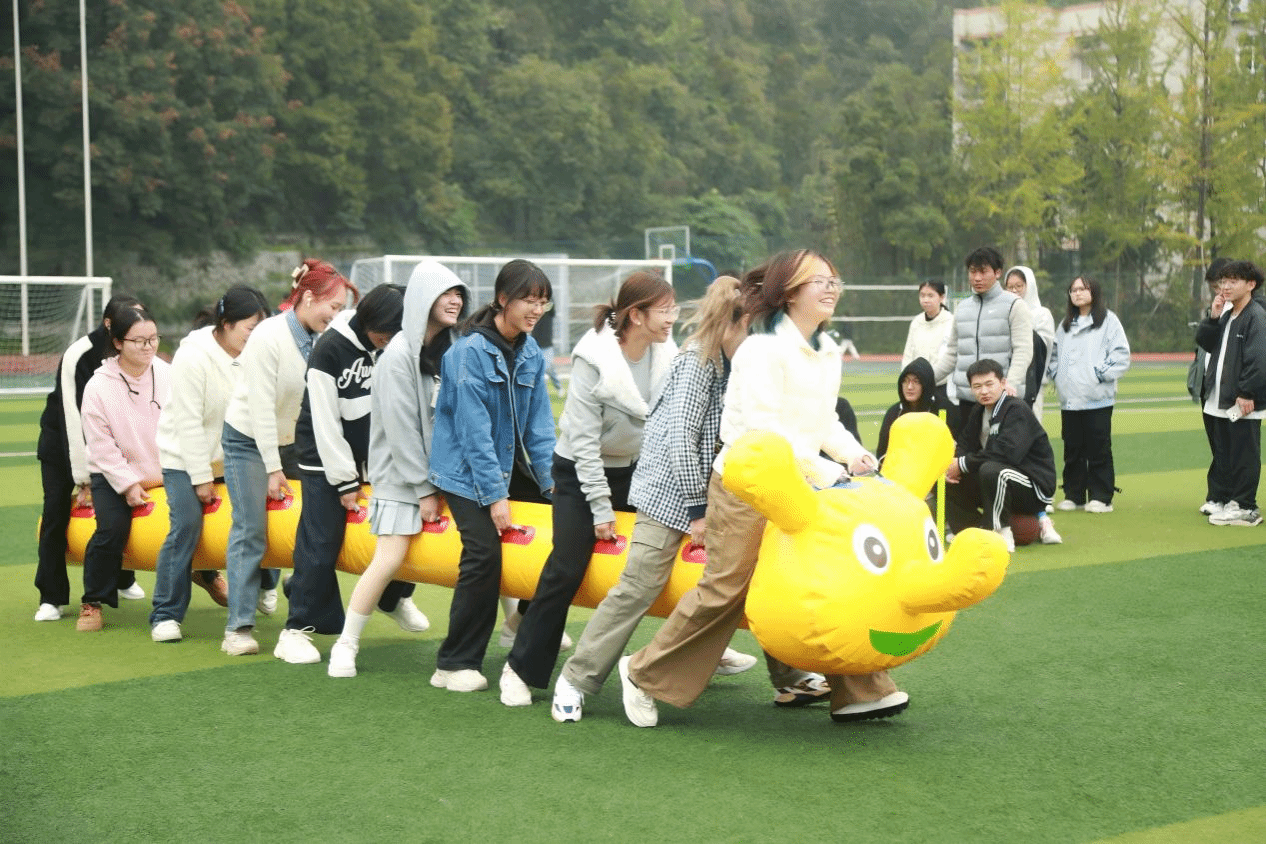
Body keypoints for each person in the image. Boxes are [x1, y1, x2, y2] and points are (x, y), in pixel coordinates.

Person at [618, 249, 908, 728]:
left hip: (803, 483)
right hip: (747, 486)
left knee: (828, 577)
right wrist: (826, 469)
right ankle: (642, 673)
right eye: (819, 280)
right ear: (789, 292)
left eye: (834, 280)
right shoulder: (761, 351)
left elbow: (824, 420)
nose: (831, 288)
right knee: (725, 590)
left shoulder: (827, 350)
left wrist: (853, 454)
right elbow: (764, 430)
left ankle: (861, 691)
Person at [552, 278, 765, 723]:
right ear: (734, 322)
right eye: (750, 326)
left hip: (715, 491)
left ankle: (766, 670)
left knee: (738, 576)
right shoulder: (697, 362)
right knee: (638, 586)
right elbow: (681, 440)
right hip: (669, 495)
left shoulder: (739, 363)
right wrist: (697, 510)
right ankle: (576, 678)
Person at [498, 271, 679, 708]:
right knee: (566, 566)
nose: (673, 317)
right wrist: (600, 508)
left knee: (673, 547)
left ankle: (693, 653)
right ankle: (520, 668)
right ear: (636, 315)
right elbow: (582, 445)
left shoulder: (666, 354)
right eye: (664, 309)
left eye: (674, 308)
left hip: (635, 471)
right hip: (580, 474)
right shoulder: (593, 356)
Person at [326, 263, 469, 678]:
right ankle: (346, 644)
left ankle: (515, 625)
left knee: (482, 548)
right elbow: (401, 429)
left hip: (444, 473)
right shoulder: (397, 355)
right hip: (401, 478)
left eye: (458, 294)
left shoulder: (450, 347)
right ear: (424, 297)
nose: (455, 301)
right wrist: (424, 490)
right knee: (388, 560)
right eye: (446, 294)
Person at [274, 284, 428, 663]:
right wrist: (345, 480)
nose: (391, 338)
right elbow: (326, 423)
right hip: (323, 457)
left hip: (373, 457)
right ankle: (295, 630)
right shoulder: (329, 350)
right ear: (370, 320)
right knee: (321, 539)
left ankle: (392, 598)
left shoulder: (391, 348)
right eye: (387, 331)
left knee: (405, 525)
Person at [427, 259, 556, 693]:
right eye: (528, 300)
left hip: (509, 465)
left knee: (562, 535)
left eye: (542, 301)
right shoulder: (466, 354)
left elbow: (540, 428)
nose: (536, 310)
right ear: (503, 300)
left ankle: (519, 624)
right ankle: (454, 662)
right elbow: (473, 433)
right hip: (464, 472)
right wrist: (495, 497)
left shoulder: (531, 352)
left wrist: (552, 484)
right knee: (483, 554)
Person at [219, 259, 358, 656]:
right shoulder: (268, 335)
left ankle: (303, 595)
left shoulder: (328, 337)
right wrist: (273, 468)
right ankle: (238, 628)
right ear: (308, 297)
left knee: (314, 522)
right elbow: (261, 407)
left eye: (341, 309)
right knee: (251, 529)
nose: (336, 315)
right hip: (248, 438)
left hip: (296, 439)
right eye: (333, 306)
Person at [149, 286, 270, 643]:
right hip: (184, 458)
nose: (255, 337)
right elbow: (187, 422)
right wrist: (201, 477)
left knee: (263, 514)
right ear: (227, 324)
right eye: (250, 328)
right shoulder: (193, 356)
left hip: (235, 456)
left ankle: (263, 584)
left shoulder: (256, 355)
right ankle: (166, 614)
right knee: (186, 524)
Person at [35, 295, 146, 621]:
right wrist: (83, 478)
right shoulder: (79, 354)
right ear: (109, 324)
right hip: (63, 444)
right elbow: (72, 416)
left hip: (110, 442)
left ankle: (123, 578)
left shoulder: (135, 351)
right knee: (56, 512)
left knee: (123, 503)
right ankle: (51, 596)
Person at [75, 308, 172, 631]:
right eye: (139, 341)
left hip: (165, 467)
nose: (148, 346)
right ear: (118, 342)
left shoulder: (167, 374)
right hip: (113, 472)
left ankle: (205, 574)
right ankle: (93, 601)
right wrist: (128, 484)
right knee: (112, 529)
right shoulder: (98, 386)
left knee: (189, 519)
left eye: (153, 339)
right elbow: (101, 445)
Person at [944, 359, 1060, 551]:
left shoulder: (1016, 410)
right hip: (996, 478)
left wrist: (963, 464)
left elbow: (1006, 454)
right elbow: (964, 444)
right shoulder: (978, 410)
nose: (984, 391)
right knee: (946, 476)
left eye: (989, 384)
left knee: (993, 470)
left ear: (1003, 383)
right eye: (977, 386)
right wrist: (954, 465)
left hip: (1032, 486)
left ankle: (1001, 534)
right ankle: (971, 530)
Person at [1048, 276, 1131, 514]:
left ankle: (1101, 496)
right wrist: (1058, 375)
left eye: (1083, 289)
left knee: (1098, 448)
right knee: (1072, 448)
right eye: (1073, 289)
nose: (1078, 293)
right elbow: (1053, 355)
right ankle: (1074, 494)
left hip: (1097, 398)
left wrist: (1098, 374)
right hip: (1070, 399)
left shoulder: (1109, 321)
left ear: (1094, 291)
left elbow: (1121, 354)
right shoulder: (1065, 324)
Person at [1196, 260, 1266, 526]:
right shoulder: (1227, 313)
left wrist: (1247, 392)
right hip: (1220, 397)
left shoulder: (1255, 315)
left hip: (1242, 400)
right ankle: (1226, 499)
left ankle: (1246, 506)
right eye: (1223, 281)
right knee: (1225, 452)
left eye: (1233, 281)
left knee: (1244, 453)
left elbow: (1259, 359)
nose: (1225, 286)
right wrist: (1213, 317)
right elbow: (1205, 343)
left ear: (1251, 285)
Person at [934, 247, 1033, 408]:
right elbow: (952, 354)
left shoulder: (1015, 305)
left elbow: (1023, 350)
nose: (977, 278)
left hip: (1002, 399)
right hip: (967, 399)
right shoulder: (962, 308)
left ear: (998, 273)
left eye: (983, 271)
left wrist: (1010, 384)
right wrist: (924, 379)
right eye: (973, 272)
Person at [1192, 258, 1232, 516]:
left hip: (1234, 392)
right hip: (1210, 389)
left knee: (1233, 448)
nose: (1220, 291)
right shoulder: (1215, 308)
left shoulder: (1252, 311)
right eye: (1216, 286)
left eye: (1224, 284)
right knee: (1218, 446)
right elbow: (1203, 346)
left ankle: (1235, 499)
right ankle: (1218, 497)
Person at [875, 357, 958, 463]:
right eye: (905, 381)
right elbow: (882, 453)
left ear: (926, 384)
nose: (909, 387)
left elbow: (956, 449)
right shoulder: (894, 412)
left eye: (916, 381)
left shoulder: (945, 409)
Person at [1004, 265, 1056, 421]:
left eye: (1019, 286)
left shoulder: (1042, 314)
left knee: (1030, 427)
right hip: (1005, 383)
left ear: (1029, 286)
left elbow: (1043, 347)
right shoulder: (1003, 313)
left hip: (1032, 384)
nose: (1014, 291)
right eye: (1010, 287)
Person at [901, 279, 954, 400]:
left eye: (930, 295)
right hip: (918, 387)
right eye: (922, 295)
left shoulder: (951, 322)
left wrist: (930, 378)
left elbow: (950, 358)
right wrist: (907, 379)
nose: (925, 300)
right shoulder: (916, 322)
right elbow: (908, 355)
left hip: (943, 387)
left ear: (942, 297)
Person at [532, 302, 562, 393]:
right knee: (544, 369)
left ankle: (557, 388)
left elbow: (551, 304)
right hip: (536, 346)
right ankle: (544, 390)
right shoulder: (533, 315)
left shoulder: (549, 313)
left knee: (546, 367)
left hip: (547, 345)